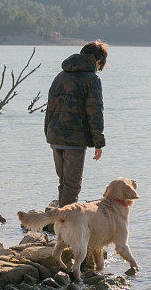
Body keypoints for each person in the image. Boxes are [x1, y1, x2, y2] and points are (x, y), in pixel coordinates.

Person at [44, 40, 107, 206]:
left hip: (55, 136)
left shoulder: (60, 75)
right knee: (72, 186)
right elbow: (95, 113)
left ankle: (60, 223)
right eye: (100, 66)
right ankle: (66, 227)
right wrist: (99, 143)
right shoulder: (92, 80)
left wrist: (48, 134)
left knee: (64, 183)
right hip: (75, 140)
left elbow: (50, 108)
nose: (99, 69)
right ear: (98, 61)